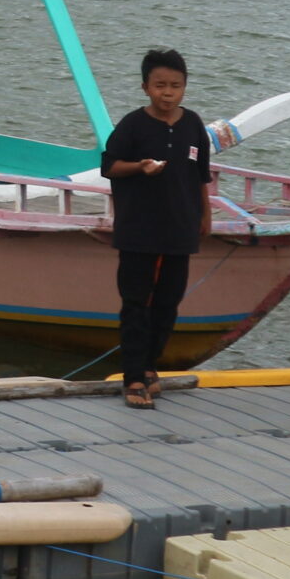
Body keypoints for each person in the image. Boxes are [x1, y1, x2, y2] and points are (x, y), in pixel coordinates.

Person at [99, 48, 214, 408]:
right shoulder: (132, 125)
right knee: (135, 304)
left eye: (175, 86)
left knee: (168, 304)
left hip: (180, 229)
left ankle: (149, 367)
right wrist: (140, 167)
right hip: (139, 229)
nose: (168, 93)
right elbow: (110, 166)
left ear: (185, 88)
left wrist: (205, 215)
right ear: (145, 87)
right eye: (160, 85)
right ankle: (133, 378)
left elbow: (200, 176)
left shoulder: (193, 125)